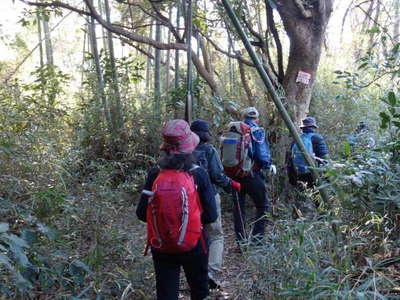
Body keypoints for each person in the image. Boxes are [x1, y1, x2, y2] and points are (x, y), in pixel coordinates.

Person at [136, 119, 217, 300]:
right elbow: (212, 215)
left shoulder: (155, 173)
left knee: (166, 294)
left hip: (162, 244)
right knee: (199, 291)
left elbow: (141, 213)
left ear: (165, 148)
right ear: (190, 146)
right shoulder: (199, 173)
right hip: (195, 243)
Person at [190, 119, 241, 289]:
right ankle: (211, 272)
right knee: (216, 234)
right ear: (206, 134)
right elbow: (217, 175)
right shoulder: (209, 150)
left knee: (197, 234)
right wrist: (231, 184)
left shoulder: (184, 151)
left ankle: (197, 272)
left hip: (189, 199)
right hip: (209, 197)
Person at [232, 107, 274, 243]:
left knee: (239, 209)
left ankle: (241, 243)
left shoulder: (234, 130)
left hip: (234, 176)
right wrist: (268, 166)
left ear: (243, 117)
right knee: (262, 206)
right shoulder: (257, 131)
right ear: (256, 118)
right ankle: (257, 240)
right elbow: (262, 157)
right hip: (252, 175)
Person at [287, 116, 329, 188]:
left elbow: (289, 160)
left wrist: (291, 178)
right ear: (313, 127)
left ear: (303, 128)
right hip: (313, 175)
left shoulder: (296, 140)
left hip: (298, 175)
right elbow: (324, 159)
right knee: (314, 197)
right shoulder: (317, 139)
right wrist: (327, 178)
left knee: (302, 196)